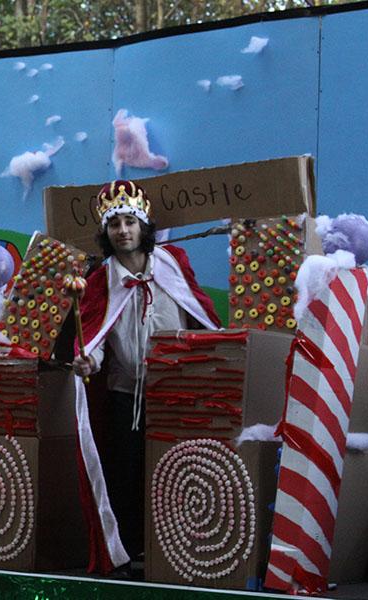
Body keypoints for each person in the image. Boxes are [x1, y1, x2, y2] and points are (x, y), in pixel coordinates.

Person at [72, 180, 221, 574]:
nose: (123, 230)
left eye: (129, 222)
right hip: (125, 397)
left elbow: (198, 313)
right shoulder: (100, 281)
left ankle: (181, 552)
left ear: (143, 226)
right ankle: (131, 553)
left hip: (177, 394)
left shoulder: (173, 263)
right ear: (106, 232)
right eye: (115, 224)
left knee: (180, 475)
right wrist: (88, 361)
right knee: (125, 473)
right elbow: (96, 334)